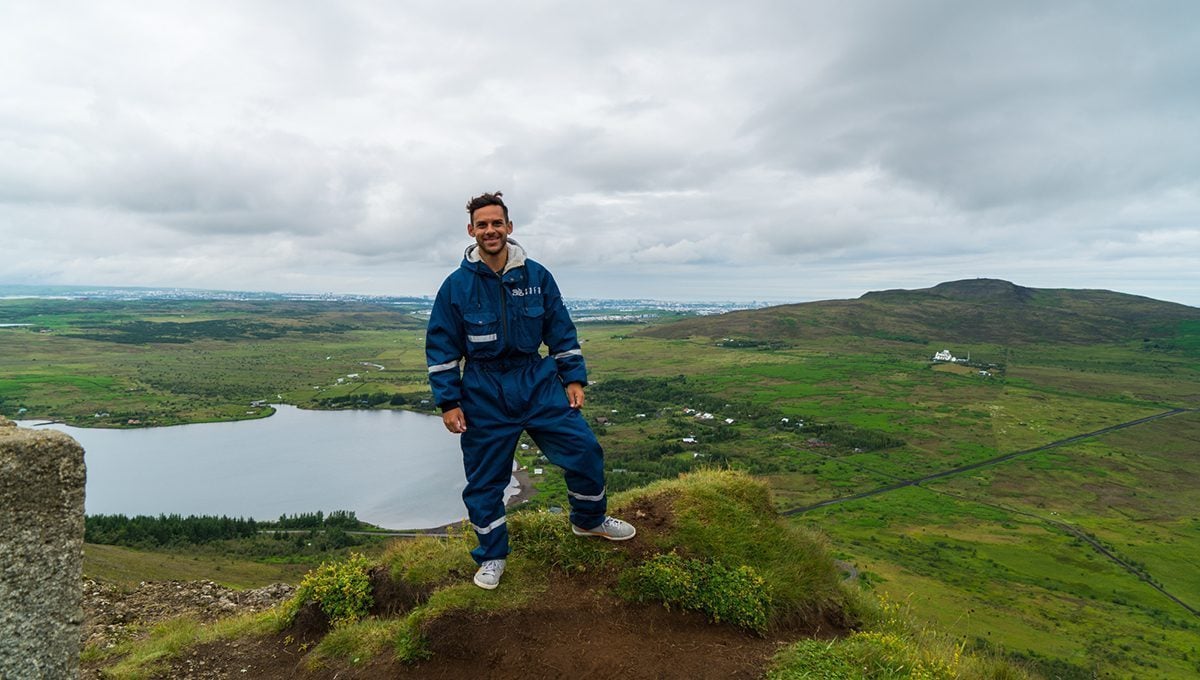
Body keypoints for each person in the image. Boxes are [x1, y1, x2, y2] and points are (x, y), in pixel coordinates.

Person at [426, 191, 635, 590]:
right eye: (482, 224)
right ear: (471, 231)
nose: (491, 230)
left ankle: (589, 521)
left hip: (536, 381)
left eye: (497, 223)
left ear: (509, 227)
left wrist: (572, 377)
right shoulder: (455, 287)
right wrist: (448, 401)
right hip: (484, 390)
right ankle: (491, 557)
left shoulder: (537, 276)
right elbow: (441, 348)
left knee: (584, 450)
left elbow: (560, 330)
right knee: (486, 480)